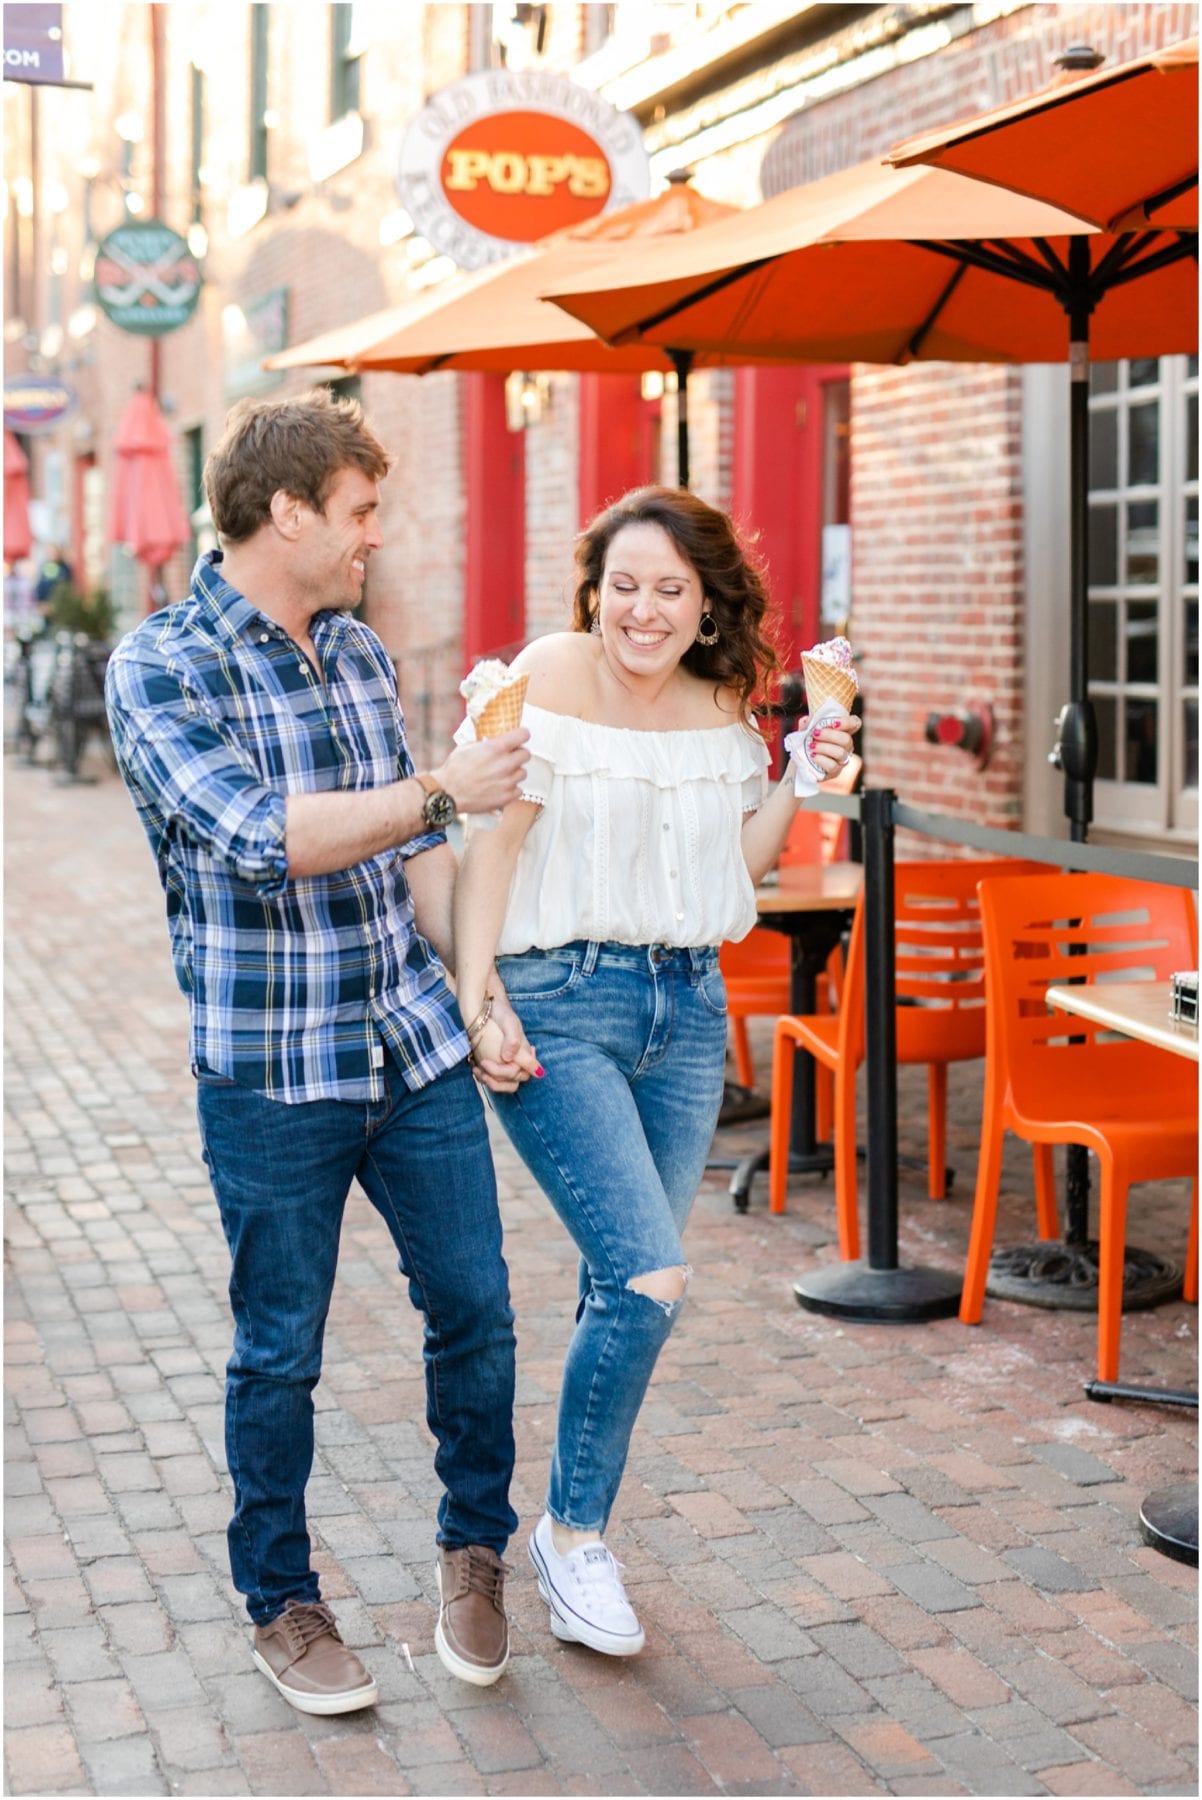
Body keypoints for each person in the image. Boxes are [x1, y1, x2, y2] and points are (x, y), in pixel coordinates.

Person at [104, 389, 532, 1713]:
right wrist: (447, 786)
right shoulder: (159, 664)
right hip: (272, 1074)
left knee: (474, 1310)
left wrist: (480, 990)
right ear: (283, 511)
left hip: (410, 1052)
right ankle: (281, 1601)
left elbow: (409, 861)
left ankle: (475, 1551)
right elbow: (257, 837)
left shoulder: (354, 652)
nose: (372, 538)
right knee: (278, 1348)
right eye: (356, 513)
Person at [451, 485, 859, 1657]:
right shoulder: (544, 678)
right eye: (621, 585)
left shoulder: (721, 706)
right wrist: (482, 1003)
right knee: (647, 1276)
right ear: (593, 591)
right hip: (560, 1004)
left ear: (704, 605)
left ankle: (570, 1527)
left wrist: (793, 775)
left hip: (687, 1011)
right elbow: (493, 850)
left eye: (667, 590)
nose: (641, 610)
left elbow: (737, 862)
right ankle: (574, 1538)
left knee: (615, 1281)